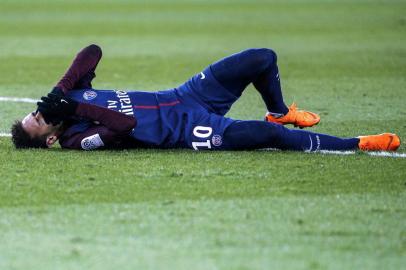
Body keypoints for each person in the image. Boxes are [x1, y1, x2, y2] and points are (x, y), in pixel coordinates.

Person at [11, 44, 400, 152]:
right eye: (39, 120)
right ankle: (358, 143)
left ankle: (279, 112)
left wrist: (62, 90)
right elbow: (125, 126)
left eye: (35, 111)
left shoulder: (65, 97)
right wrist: (74, 107)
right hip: (189, 129)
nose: (41, 113)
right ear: (48, 138)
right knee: (264, 139)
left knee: (261, 59)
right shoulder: (77, 139)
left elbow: (91, 52)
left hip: (185, 94)